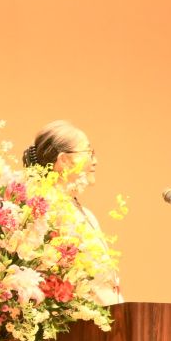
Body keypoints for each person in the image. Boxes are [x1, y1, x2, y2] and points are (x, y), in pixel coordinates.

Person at [23, 120, 122, 305]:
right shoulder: (46, 210)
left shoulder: (84, 213)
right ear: (64, 160)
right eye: (89, 152)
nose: (95, 161)